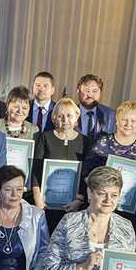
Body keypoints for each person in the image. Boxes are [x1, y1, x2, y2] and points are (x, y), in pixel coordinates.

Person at [31, 98, 92, 232]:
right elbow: (36, 169)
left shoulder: (85, 141)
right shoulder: (45, 137)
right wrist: (37, 198)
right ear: (54, 118)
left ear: (76, 116)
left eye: (69, 115)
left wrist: (79, 199)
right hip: (46, 203)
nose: (65, 119)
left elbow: (86, 173)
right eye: (60, 116)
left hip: (74, 204)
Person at [82, 101, 136, 191]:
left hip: (130, 197)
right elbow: (86, 172)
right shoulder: (103, 142)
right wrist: (99, 191)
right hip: (103, 194)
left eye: (133, 121)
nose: (128, 124)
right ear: (116, 121)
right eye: (124, 120)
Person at [76, 74, 116, 140]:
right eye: (87, 91)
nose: (90, 95)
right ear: (78, 92)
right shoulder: (68, 114)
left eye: (95, 91)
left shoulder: (111, 115)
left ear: (100, 92)